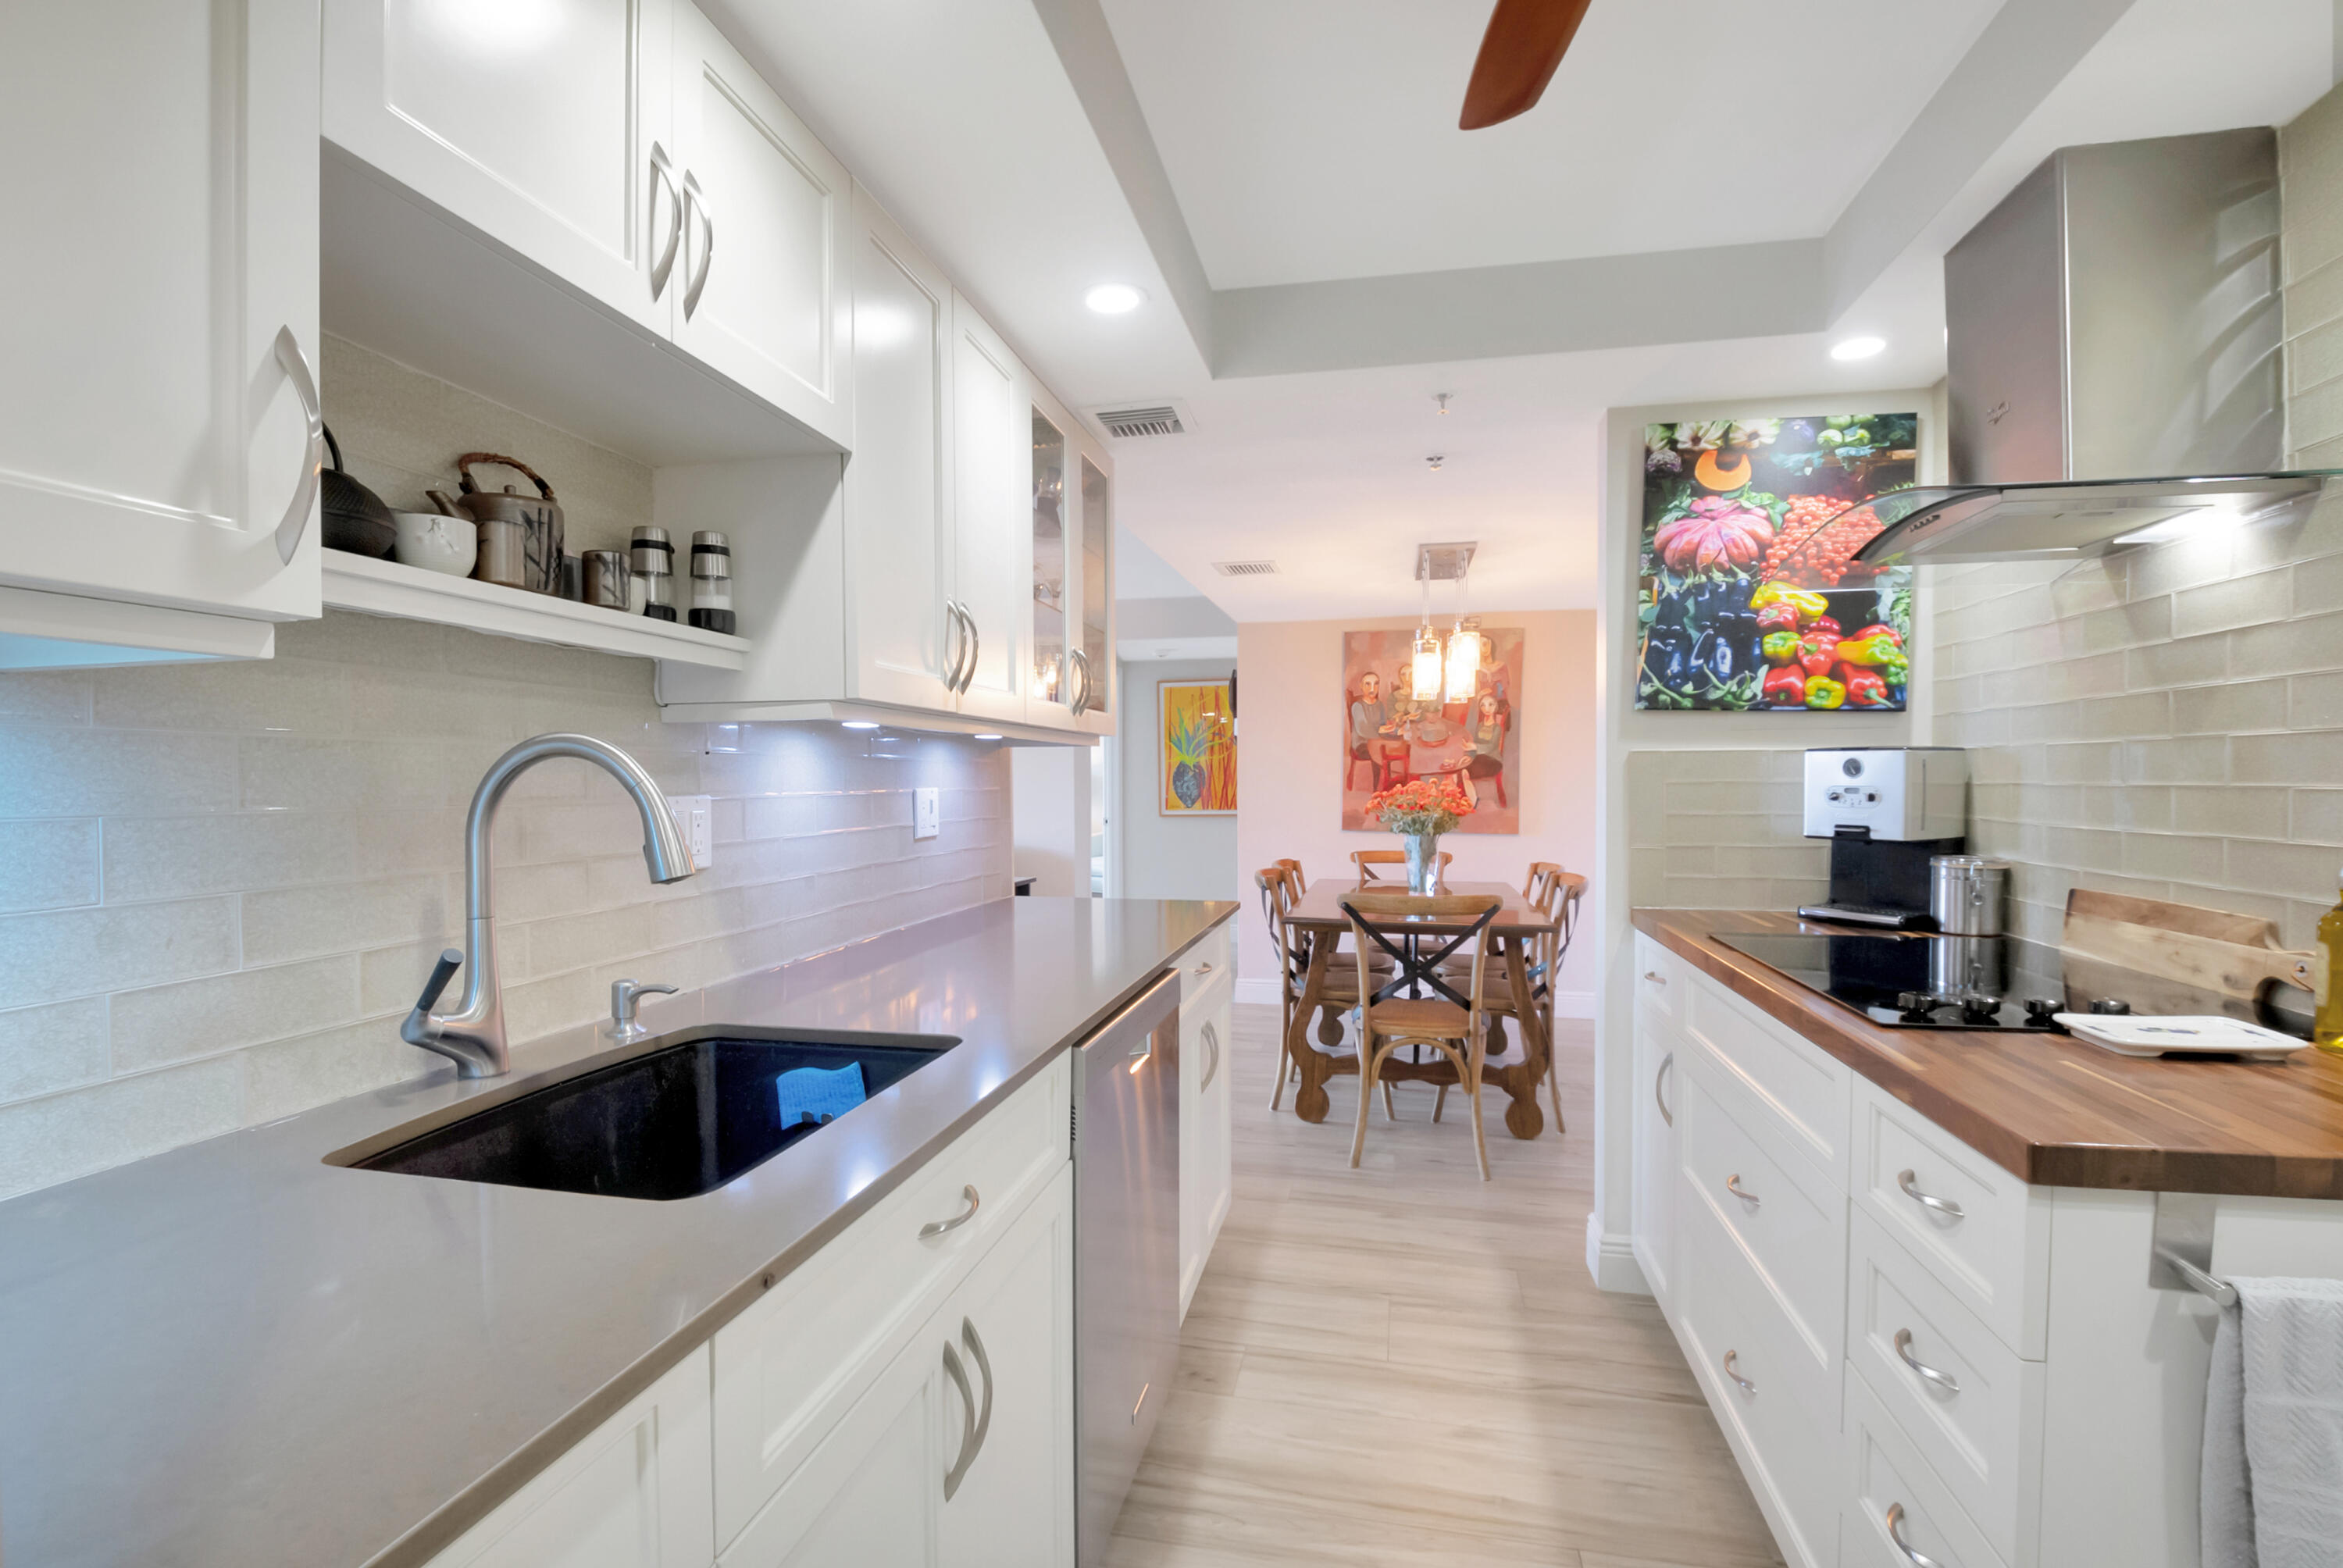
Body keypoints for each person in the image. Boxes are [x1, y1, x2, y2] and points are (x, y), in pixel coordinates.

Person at [1460, 690, 1504, 808]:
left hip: (1493, 761)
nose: (1487, 708)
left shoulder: (1497, 728)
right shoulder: (1479, 726)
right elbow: (1475, 743)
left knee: (1465, 771)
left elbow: (1491, 747)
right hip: (1480, 758)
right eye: (1483, 705)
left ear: (1496, 707)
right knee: (1461, 769)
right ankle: (1472, 800)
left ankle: (1472, 802)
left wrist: (1475, 747)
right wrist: (1469, 756)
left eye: (1490, 705)